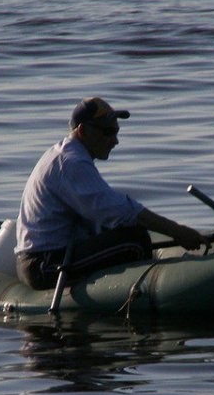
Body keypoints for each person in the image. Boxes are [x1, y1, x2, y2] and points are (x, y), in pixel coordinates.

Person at [15, 97, 204, 290]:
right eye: (108, 132)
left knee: (122, 233)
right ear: (82, 131)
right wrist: (177, 231)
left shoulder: (67, 154)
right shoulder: (72, 163)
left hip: (47, 257)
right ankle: (139, 295)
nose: (115, 140)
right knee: (135, 241)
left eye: (116, 132)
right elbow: (120, 210)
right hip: (45, 264)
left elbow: (103, 213)